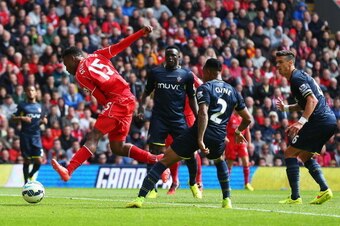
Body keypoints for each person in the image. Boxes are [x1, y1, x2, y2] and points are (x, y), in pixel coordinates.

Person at [127, 58, 252, 208]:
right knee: (219, 161)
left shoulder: (205, 88)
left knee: (165, 160)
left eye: (204, 71)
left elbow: (203, 114)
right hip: (219, 136)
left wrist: (200, 138)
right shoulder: (233, 91)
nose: (202, 74)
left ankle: (140, 198)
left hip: (199, 132)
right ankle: (227, 200)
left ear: (208, 71)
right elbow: (248, 118)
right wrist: (238, 131)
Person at [51, 26, 163, 182]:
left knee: (94, 136)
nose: (66, 68)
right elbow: (120, 45)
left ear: (73, 58)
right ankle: (158, 160)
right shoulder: (98, 54)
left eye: (65, 64)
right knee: (117, 147)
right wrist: (140, 33)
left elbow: (99, 95)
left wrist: (107, 108)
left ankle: (68, 170)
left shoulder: (80, 74)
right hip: (129, 98)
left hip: (117, 101)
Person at [275, 50, 336, 204]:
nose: (278, 66)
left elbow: (312, 101)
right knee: (304, 155)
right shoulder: (298, 77)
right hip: (328, 121)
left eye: (281, 62)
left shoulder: (296, 78)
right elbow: (304, 103)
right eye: (277, 63)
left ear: (290, 63)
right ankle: (324, 189)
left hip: (319, 120)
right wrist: (286, 108)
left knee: (289, 152)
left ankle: (295, 197)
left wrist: (301, 122)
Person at [139, 45, 199, 198]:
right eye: (168, 55)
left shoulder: (186, 74)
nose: (170, 57)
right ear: (164, 57)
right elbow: (146, 93)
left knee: (189, 152)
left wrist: (198, 116)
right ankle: (152, 188)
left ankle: (193, 183)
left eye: (173, 55)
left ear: (178, 57)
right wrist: (141, 108)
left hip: (178, 119)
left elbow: (192, 97)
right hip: (159, 118)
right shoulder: (156, 73)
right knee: (153, 152)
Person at [165, 73, 203, 195]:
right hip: (173, 117)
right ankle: (175, 181)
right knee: (172, 149)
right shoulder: (165, 76)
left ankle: (198, 181)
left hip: (189, 117)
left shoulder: (189, 75)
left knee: (193, 150)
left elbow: (202, 86)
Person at [11, 85, 48, 184]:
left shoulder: (41, 106)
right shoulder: (22, 105)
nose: (31, 92)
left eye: (32, 90)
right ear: (26, 93)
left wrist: (44, 121)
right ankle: (26, 182)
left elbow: (43, 120)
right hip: (25, 136)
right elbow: (13, 118)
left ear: (36, 92)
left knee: (39, 160)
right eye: (28, 90)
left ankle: (31, 175)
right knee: (27, 161)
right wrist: (22, 118)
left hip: (36, 136)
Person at [225, 111, 254, 191]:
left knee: (246, 162)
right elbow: (225, 128)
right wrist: (225, 138)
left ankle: (247, 183)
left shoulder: (244, 118)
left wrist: (249, 143)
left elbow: (247, 131)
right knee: (230, 163)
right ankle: (227, 184)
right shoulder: (230, 117)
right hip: (231, 140)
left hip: (241, 140)